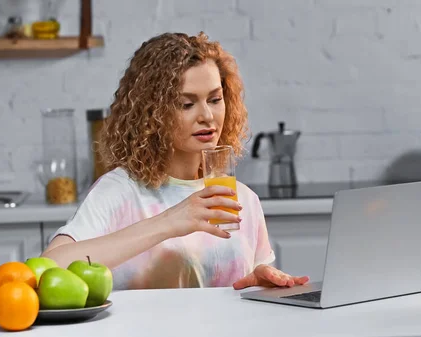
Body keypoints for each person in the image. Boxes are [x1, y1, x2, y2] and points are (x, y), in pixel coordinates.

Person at [41, 31, 309, 291]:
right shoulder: (120, 191)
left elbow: (235, 285)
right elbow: (48, 269)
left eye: (215, 99)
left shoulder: (243, 200)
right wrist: (168, 221)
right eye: (186, 104)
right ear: (152, 113)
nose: (207, 115)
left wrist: (258, 279)